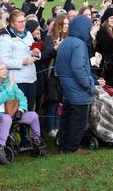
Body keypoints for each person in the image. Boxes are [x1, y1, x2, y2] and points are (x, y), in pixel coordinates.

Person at [56, 15, 103, 154]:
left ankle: (63, 145)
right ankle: (72, 147)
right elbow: (78, 68)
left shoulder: (66, 42)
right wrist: (89, 85)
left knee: (67, 118)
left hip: (66, 85)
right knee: (78, 120)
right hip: (77, 88)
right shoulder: (79, 44)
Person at [0, 60, 44, 164]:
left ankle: (37, 143)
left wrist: (21, 109)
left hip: (12, 112)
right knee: (6, 118)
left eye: (5, 68)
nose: (5, 71)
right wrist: (9, 88)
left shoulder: (9, 82)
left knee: (33, 115)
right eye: (2, 69)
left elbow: (22, 97)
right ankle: (1, 149)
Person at [40, 13, 69, 136]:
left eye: (68, 24)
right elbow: (45, 56)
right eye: (64, 24)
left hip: (64, 75)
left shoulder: (68, 38)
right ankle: (50, 128)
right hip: (52, 75)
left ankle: (58, 126)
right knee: (52, 102)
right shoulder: (50, 38)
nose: (66, 26)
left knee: (61, 103)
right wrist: (55, 49)